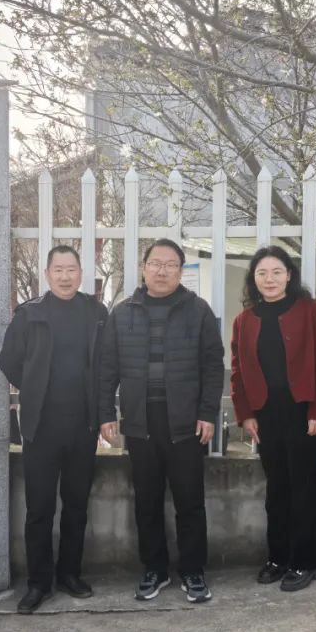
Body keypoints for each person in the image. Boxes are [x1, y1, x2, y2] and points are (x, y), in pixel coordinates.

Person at [99, 239, 225, 603]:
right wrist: (106, 413)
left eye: (171, 265)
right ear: (144, 268)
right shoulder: (123, 313)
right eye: (155, 263)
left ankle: (193, 570)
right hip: (140, 420)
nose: (162, 271)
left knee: (190, 501)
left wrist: (207, 413)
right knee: (147, 500)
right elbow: (107, 368)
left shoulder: (197, 310)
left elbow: (212, 366)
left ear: (181, 271)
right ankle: (154, 568)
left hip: (185, 421)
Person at [0, 246, 109, 614]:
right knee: (40, 508)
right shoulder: (29, 315)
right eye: (58, 270)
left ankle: (69, 574)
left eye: (71, 269)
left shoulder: (96, 313)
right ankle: (38, 583)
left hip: (83, 426)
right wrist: (34, 388)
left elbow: (106, 363)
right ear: (47, 274)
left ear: (81, 274)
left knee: (77, 505)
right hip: (40, 427)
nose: (65, 276)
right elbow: (9, 361)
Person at [230, 246, 316, 592]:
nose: (270, 279)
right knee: (276, 489)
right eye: (262, 273)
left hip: (303, 414)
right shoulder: (244, 320)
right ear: (254, 279)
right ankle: (277, 558)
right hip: (266, 415)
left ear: (289, 275)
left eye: (277, 271)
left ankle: (305, 561)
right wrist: (246, 414)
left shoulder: (310, 311)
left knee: (303, 489)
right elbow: (238, 372)